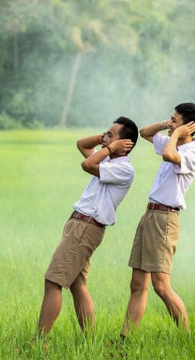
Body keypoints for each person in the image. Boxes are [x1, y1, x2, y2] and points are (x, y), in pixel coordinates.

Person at [37, 117, 139, 334]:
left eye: (111, 134)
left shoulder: (123, 169)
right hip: (80, 225)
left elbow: (87, 164)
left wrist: (110, 147)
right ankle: (90, 341)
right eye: (105, 133)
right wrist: (106, 140)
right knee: (77, 284)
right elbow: (81, 144)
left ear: (125, 144)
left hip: (85, 227)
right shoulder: (108, 161)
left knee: (53, 282)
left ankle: (38, 343)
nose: (105, 138)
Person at [120, 102, 195, 337]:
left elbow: (168, 155)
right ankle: (125, 339)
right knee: (137, 284)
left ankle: (186, 338)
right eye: (170, 119)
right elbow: (145, 133)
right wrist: (168, 125)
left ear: (189, 128)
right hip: (150, 215)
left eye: (174, 120)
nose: (169, 124)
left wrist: (176, 133)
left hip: (165, 219)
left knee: (161, 286)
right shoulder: (172, 141)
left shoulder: (191, 154)